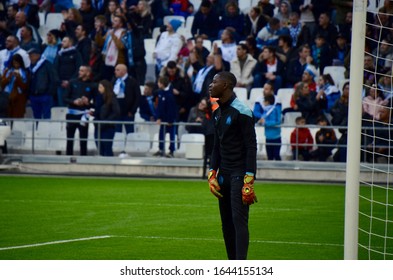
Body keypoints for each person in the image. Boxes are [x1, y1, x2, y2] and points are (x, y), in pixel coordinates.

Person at [208, 71, 257, 260]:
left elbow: (251, 147)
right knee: (226, 224)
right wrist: (212, 173)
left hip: (239, 174)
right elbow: (216, 146)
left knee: (239, 222)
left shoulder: (242, 111)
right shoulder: (217, 112)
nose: (211, 85)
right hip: (223, 175)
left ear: (226, 85)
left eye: (214, 82)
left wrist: (249, 178)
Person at [64, 65, 96, 156]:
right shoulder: (72, 82)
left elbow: (96, 103)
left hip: (83, 115)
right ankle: (68, 156)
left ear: (88, 73)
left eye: (82, 71)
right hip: (71, 114)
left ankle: (83, 156)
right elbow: (65, 98)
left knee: (83, 137)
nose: (79, 72)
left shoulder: (93, 85)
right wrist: (74, 101)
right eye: (79, 70)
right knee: (69, 137)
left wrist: (88, 103)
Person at [53, 36, 83, 106]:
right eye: (62, 41)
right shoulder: (59, 54)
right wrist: (59, 81)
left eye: (64, 41)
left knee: (71, 104)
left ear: (70, 43)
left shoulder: (76, 54)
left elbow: (79, 68)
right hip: (61, 83)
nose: (62, 43)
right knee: (61, 105)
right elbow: (54, 68)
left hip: (72, 84)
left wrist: (70, 81)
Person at [28, 47, 56, 119]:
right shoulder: (30, 66)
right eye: (29, 56)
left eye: (31, 56)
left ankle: (46, 129)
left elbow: (53, 79)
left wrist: (49, 92)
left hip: (45, 95)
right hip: (33, 95)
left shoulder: (47, 65)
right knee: (36, 116)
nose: (30, 58)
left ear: (38, 55)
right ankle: (37, 130)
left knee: (47, 115)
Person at [112, 63, 141, 134]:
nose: (115, 71)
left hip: (128, 113)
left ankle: (130, 145)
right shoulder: (114, 81)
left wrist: (132, 111)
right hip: (116, 113)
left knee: (130, 133)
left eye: (117, 70)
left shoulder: (133, 81)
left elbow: (138, 97)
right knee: (117, 134)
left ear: (124, 71)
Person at [154, 75, 178, 158]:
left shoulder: (170, 95)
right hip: (162, 119)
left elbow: (171, 109)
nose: (157, 84)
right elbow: (159, 107)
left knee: (172, 136)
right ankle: (161, 149)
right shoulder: (160, 93)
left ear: (162, 83)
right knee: (161, 135)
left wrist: (170, 120)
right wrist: (158, 117)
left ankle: (171, 151)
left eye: (159, 82)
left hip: (169, 120)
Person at [95, 79, 121, 156]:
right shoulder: (98, 98)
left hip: (108, 126)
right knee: (99, 145)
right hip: (98, 125)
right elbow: (97, 110)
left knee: (107, 146)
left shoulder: (112, 98)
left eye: (100, 87)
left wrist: (106, 121)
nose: (98, 89)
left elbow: (116, 112)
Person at [0, 53, 29, 118]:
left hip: (18, 98)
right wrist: (8, 78)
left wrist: (18, 78)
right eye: (14, 63)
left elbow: (24, 87)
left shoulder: (24, 72)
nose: (16, 65)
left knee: (17, 116)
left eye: (17, 63)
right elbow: (2, 84)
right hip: (6, 97)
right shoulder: (7, 71)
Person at [255, 93, 282, 161]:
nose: (263, 103)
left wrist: (265, 123)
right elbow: (263, 121)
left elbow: (277, 121)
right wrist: (261, 122)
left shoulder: (276, 110)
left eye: (264, 101)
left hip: (276, 137)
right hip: (268, 137)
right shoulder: (265, 111)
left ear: (267, 102)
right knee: (269, 157)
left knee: (277, 156)